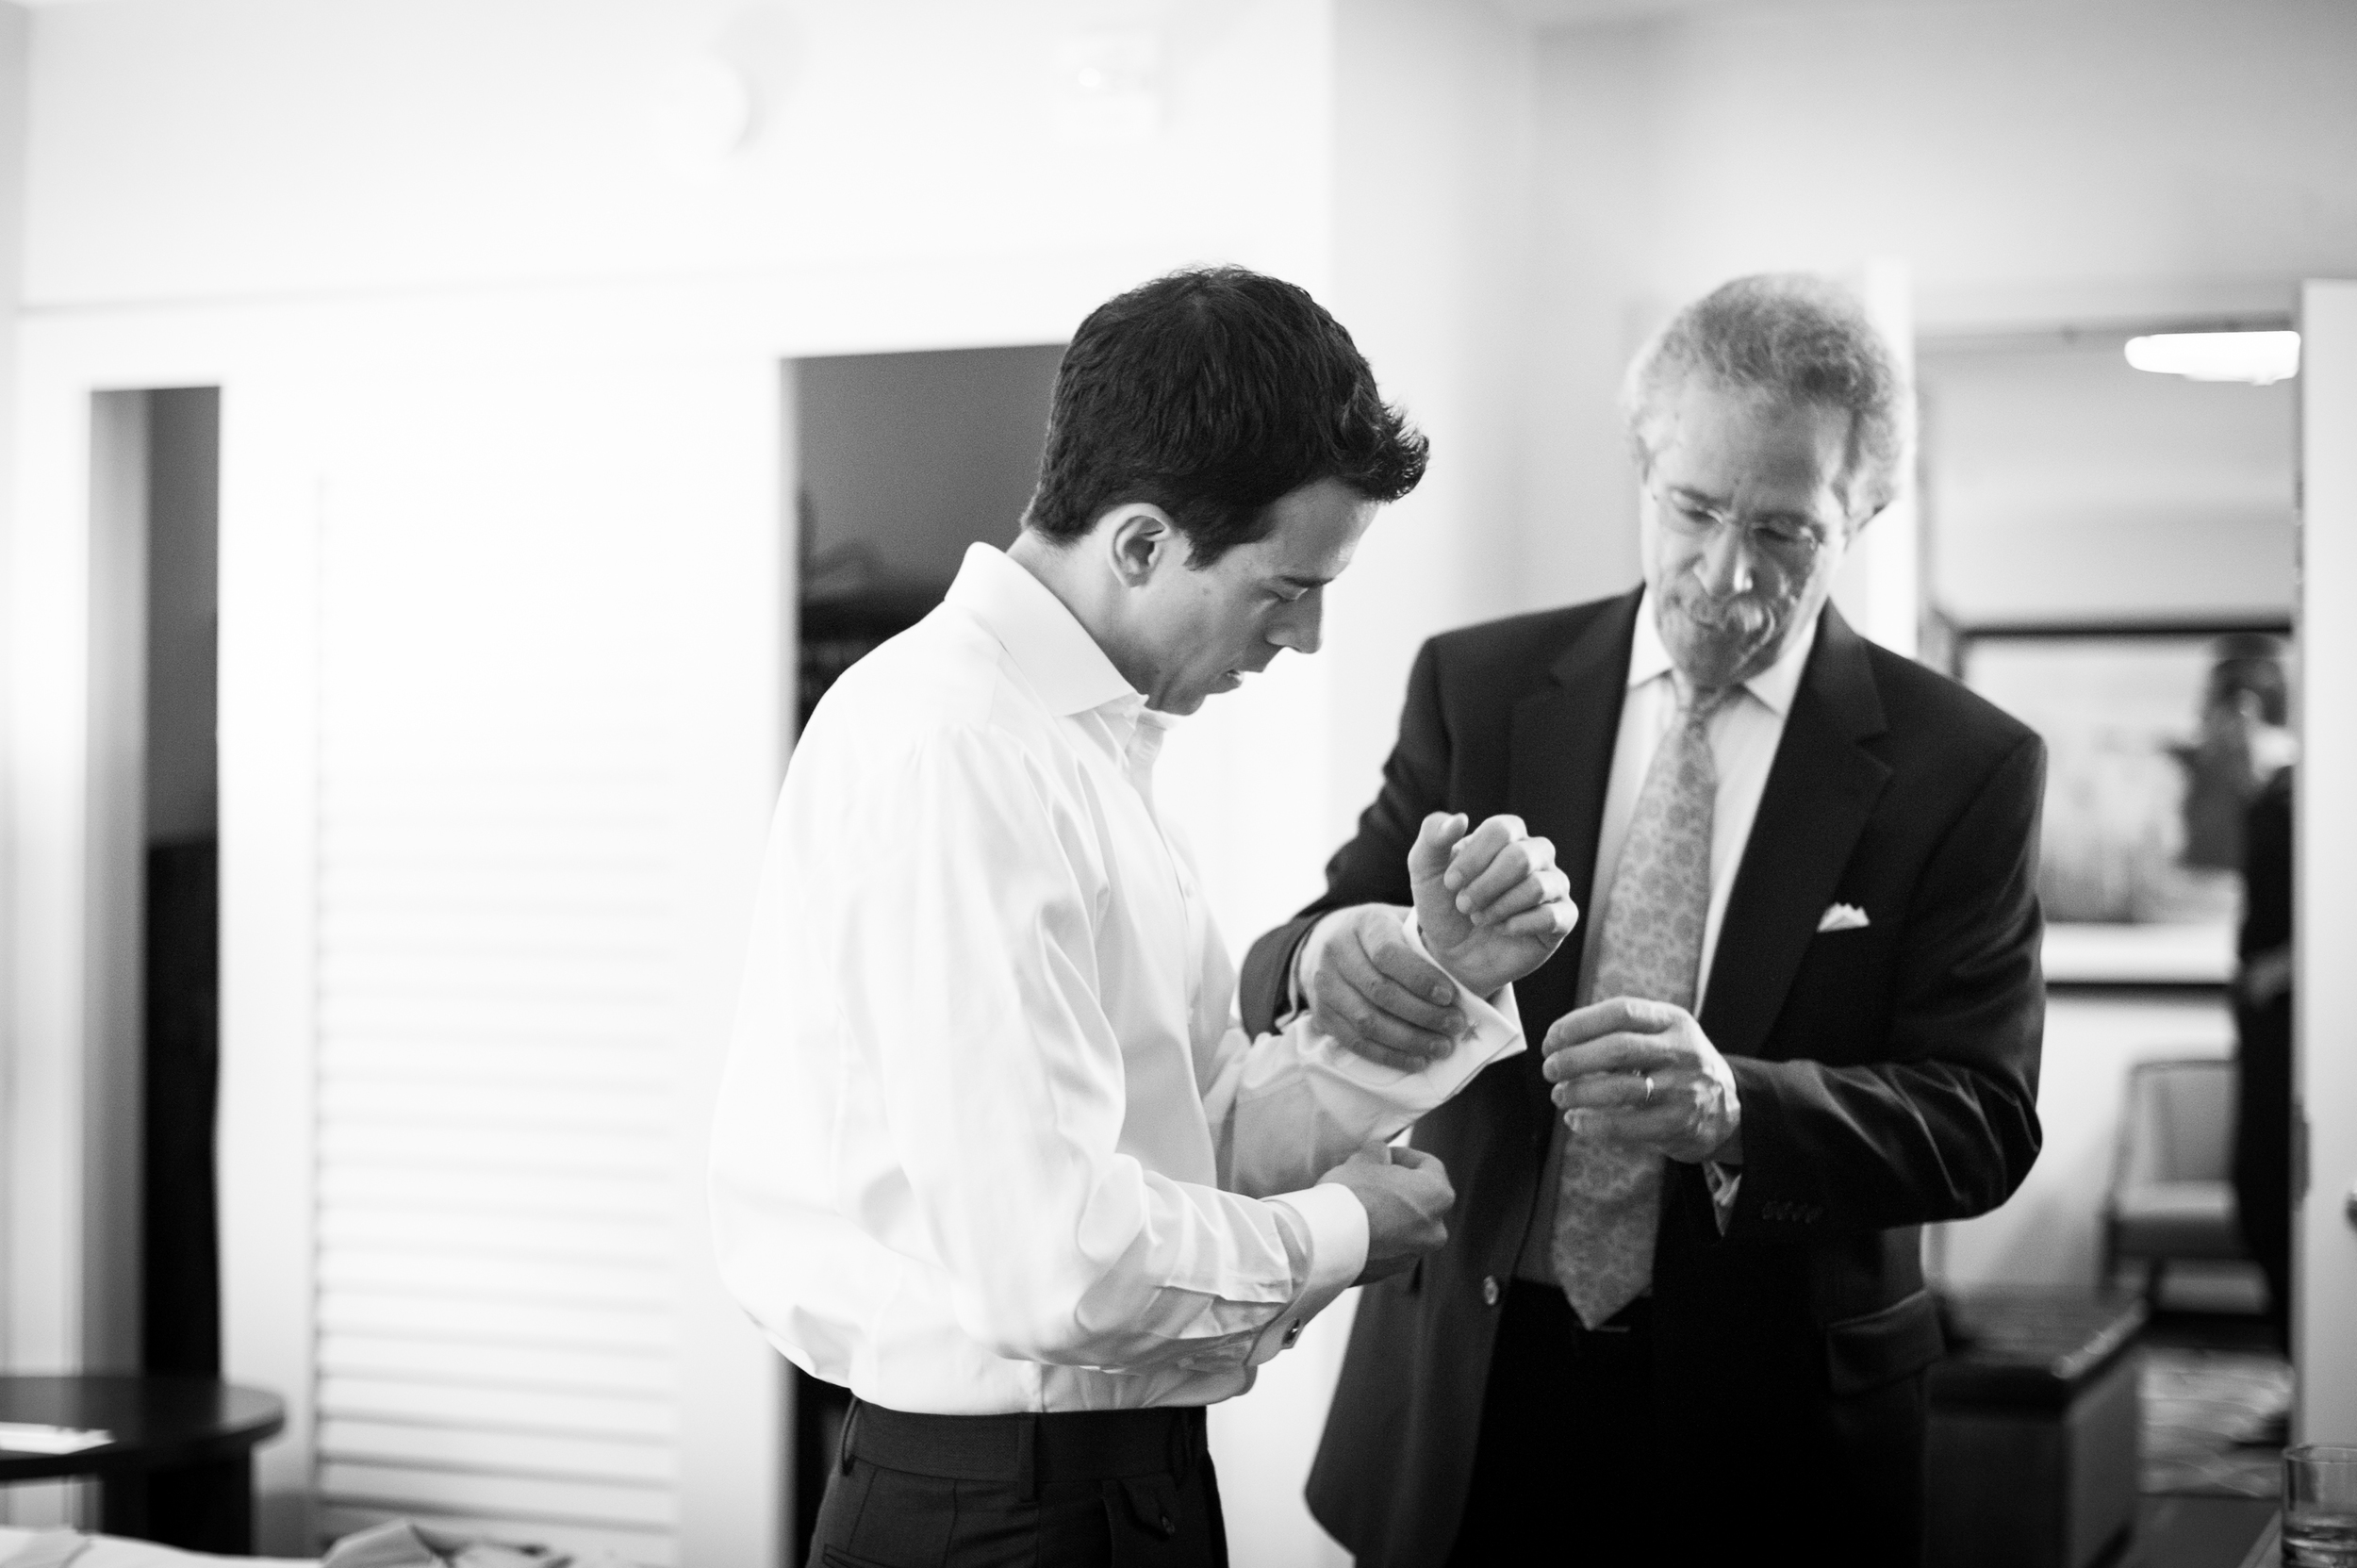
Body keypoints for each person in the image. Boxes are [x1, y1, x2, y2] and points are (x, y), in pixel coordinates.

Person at [710, 267, 1580, 1567]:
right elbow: (1053, 1259)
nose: (1306, 636)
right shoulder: (962, 751)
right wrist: (1342, 1231)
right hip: (997, 1516)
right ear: (1138, 545)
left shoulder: (1086, 750)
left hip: (1112, 1490)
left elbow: (1193, 1144)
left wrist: (1442, 980)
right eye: (1286, 588)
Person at [1236, 273, 2048, 1566]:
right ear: (1643, 465)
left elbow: (1984, 1119)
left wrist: (1739, 1113)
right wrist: (1337, 953)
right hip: (1470, 1393)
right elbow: (1308, 943)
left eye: (1785, 532)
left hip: (1774, 1429)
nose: (1727, 573)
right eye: (1695, 510)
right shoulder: (1479, 685)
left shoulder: (1966, 766)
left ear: (1864, 516)